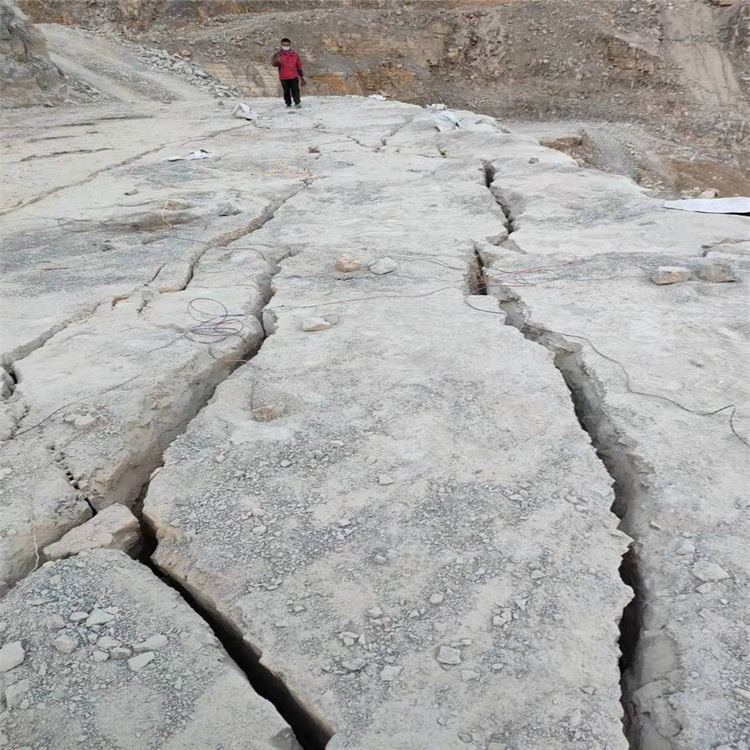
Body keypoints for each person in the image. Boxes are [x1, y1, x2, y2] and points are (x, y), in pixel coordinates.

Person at [271, 38, 305, 109]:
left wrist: (301, 77)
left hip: (294, 76)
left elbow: (299, 65)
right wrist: (277, 61)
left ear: (290, 45)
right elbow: (273, 64)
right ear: (281, 45)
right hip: (283, 76)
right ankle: (288, 103)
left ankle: (297, 102)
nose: (286, 46)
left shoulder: (295, 54)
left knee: (295, 90)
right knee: (286, 91)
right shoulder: (278, 55)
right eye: (284, 45)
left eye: (287, 45)